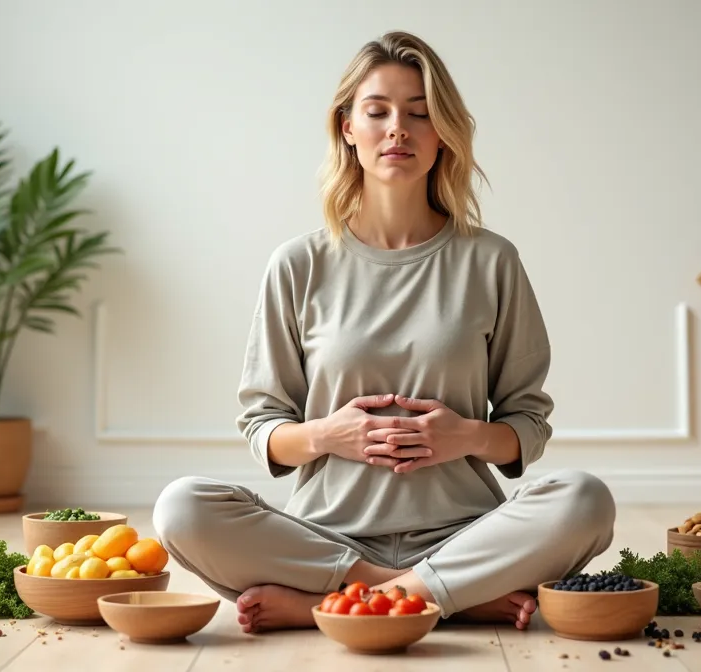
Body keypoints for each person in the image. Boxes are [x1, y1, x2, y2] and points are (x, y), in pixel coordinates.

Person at [153, 30, 616, 634]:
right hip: (327, 539)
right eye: (378, 112)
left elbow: (526, 425)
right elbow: (263, 427)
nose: (398, 129)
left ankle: (336, 606)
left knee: (585, 499)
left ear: (443, 132)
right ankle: (431, 598)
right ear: (347, 127)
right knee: (181, 507)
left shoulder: (492, 261)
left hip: (463, 535)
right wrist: (328, 434)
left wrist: (466, 436)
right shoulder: (298, 264)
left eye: (420, 114)